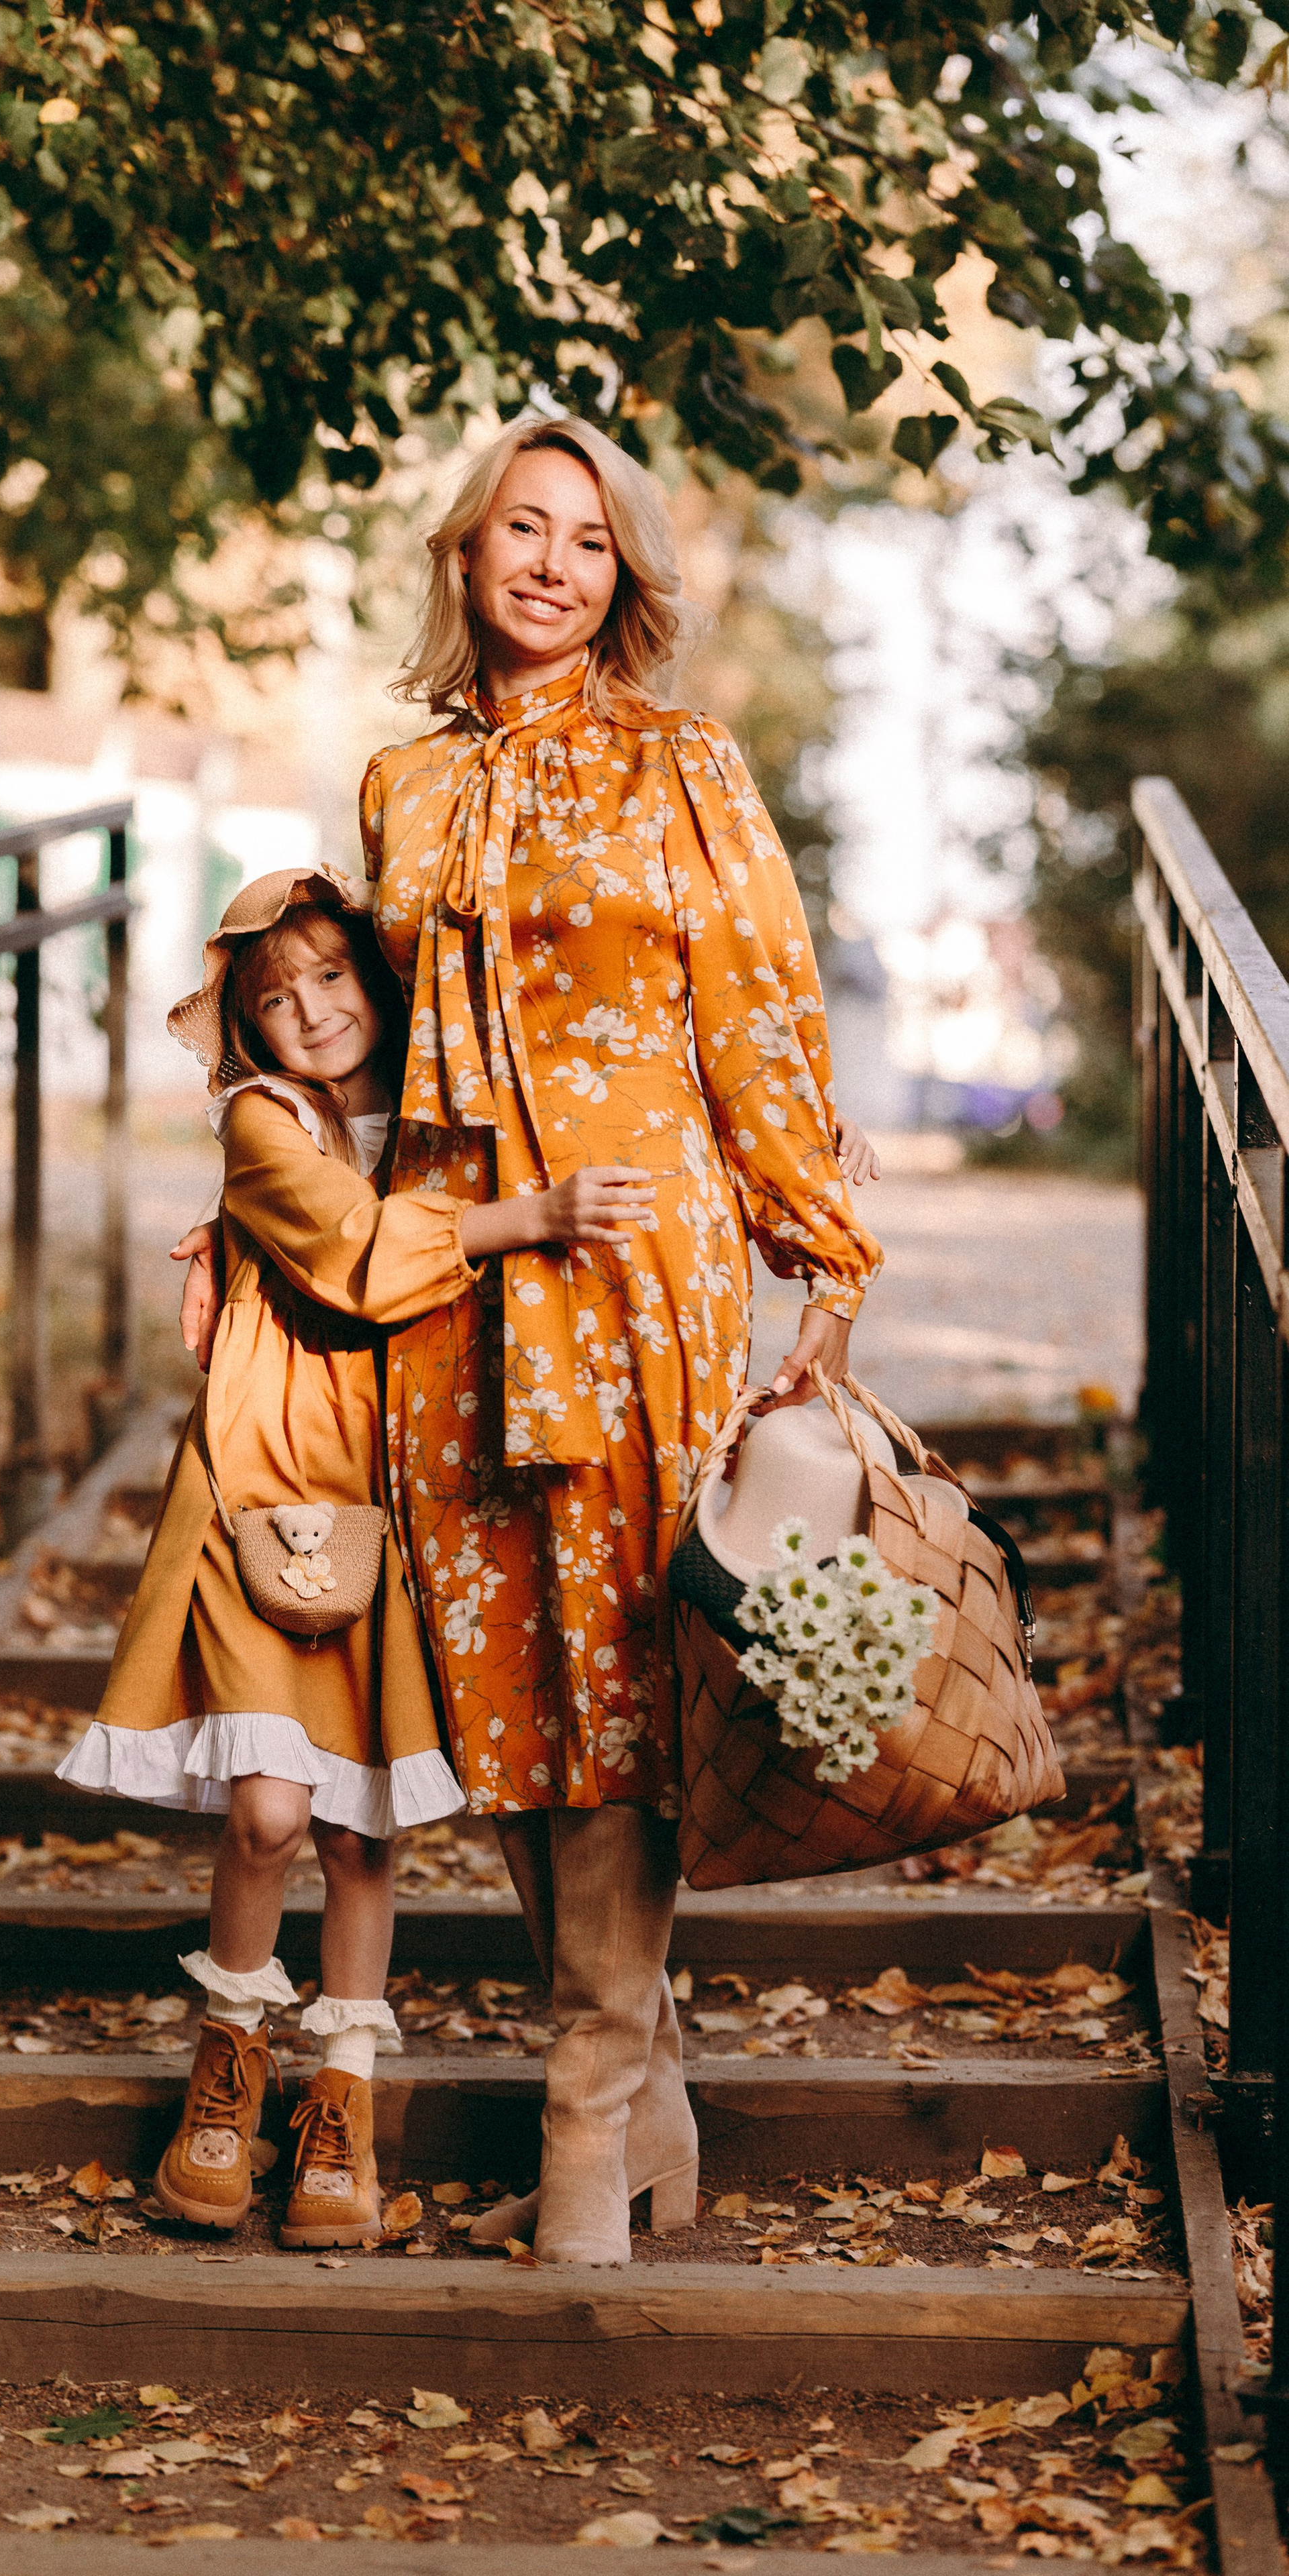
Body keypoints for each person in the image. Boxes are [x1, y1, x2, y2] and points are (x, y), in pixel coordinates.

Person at [358, 413, 883, 2265]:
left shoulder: (687, 766)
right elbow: (349, 1039)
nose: (553, 564)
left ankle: (586, 2123)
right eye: (523, 529)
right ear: (466, 555)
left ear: (627, 578)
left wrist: (817, 1252)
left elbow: (760, 1014)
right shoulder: (399, 791)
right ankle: (642, 2089)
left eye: (589, 540)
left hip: (643, 1278)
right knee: (499, 1694)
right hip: (449, 1289)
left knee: (621, 1685)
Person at [58, 865, 662, 2247]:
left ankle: (342, 2107)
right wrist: (532, 1220)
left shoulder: (450, 1122)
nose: (309, 1010)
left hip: (408, 1494)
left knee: (358, 1828)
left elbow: (628, 1076)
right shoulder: (265, 1123)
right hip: (271, 1490)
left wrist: (817, 1146)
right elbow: (353, 1252)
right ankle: (225, 2073)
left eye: (330, 977)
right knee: (268, 1811)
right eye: (274, 997)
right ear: (244, 1026)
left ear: (377, 984)